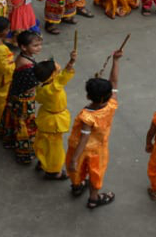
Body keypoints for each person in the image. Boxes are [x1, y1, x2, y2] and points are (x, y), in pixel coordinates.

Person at [67, 48, 124, 210]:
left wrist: (73, 159)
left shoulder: (87, 116)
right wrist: (116, 61)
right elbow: (114, 82)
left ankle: (77, 186)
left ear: (88, 96)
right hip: (98, 149)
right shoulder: (112, 104)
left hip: (81, 148)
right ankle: (93, 198)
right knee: (95, 172)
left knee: (77, 169)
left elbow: (84, 138)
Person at [0, 31, 43, 164]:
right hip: (24, 100)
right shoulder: (27, 66)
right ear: (24, 47)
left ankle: (10, 140)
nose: (39, 48)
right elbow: (31, 86)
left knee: (14, 117)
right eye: (35, 46)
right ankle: (24, 152)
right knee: (24, 123)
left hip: (15, 94)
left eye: (40, 45)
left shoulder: (23, 58)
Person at [34, 51, 77, 180]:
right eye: (55, 68)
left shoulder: (42, 87)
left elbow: (61, 75)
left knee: (43, 141)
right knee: (55, 149)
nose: (58, 66)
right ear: (52, 76)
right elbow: (64, 76)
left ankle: (43, 162)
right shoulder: (53, 88)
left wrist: (71, 62)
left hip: (45, 118)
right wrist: (71, 62)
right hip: (54, 122)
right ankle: (53, 171)